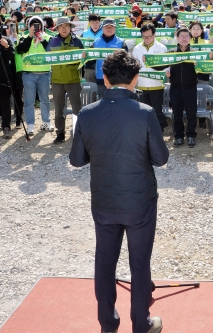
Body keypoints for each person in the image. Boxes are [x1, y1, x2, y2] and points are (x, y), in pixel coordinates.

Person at [69, 51, 167, 333]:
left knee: (105, 261)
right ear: (135, 79)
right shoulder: (145, 113)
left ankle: (108, 325)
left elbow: (76, 160)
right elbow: (160, 159)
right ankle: (141, 324)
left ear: (106, 79)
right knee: (139, 263)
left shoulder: (87, 113)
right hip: (139, 201)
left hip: (103, 200)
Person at [48, 17, 85, 143]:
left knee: (77, 108)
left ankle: (78, 132)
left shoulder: (77, 42)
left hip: (73, 80)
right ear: (57, 28)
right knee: (58, 109)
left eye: (66, 26)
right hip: (57, 80)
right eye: (61, 26)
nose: (64, 29)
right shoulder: (52, 42)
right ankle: (60, 133)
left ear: (70, 28)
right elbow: (46, 58)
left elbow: (83, 61)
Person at [161, 27, 198, 147]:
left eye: (186, 36)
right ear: (177, 37)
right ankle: (178, 136)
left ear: (190, 38)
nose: (184, 38)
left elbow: (204, 71)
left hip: (190, 87)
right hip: (175, 88)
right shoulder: (171, 53)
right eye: (181, 36)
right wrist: (149, 61)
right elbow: (160, 65)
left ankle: (191, 136)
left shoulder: (195, 53)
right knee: (177, 113)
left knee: (191, 113)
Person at [16, 17, 53, 136]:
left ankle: (46, 122)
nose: (35, 27)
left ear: (42, 26)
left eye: (38, 25)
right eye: (32, 25)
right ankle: (30, 124)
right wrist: (30, 36)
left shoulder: (47, 37)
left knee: (45, 99)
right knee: (28, 100)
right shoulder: (24, 37)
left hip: (44, 72)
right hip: (28, 73)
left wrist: (41, 39)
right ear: (28, 26)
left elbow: (51, 50)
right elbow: (21, 50)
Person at [131, 23, 169, 131]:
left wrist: (166, 72)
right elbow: (133, 65)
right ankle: (145, 133)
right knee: (143, 111)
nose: (146, 39)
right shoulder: (137, 48)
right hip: (141, 86)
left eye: (149, 36)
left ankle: (159, 133)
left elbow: (166, 67)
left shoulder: (161, 48)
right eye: (144, 37)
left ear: (154, 35)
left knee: (157, 111)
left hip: (156, 85)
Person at [94, 19, 125, 99]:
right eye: (106, 27)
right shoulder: (95, 43)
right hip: (101, 78)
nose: (109, 29)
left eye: (111, 27)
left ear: (115, 29)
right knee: (102, 103)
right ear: (102, 28)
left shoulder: (121, 42)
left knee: (117, 102)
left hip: (117, 79)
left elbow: (126, 62)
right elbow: (90, 62)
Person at [81, 13, 103, 83]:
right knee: (90, 87)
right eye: (92, 23)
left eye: (96, 22)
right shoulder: (84, 33)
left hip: (102, 63)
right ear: (89, 23)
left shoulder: (105, 32)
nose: (95, 25)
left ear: (100, 22)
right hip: (88, 64)